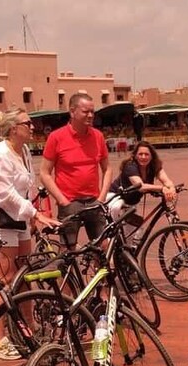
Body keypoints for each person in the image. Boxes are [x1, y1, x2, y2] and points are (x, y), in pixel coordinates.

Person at [0, 109, 60, 360]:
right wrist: (35, 214)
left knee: (24, 275)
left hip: (19, 219)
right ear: (13, 128)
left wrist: (33, 215)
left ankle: (27, 328)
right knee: (4, 280)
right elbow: (5, 195)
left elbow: (25, 188)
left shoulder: (23, 151)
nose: (33, 127)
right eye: (28, 123)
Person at [40, 93, 112, 249]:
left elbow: (107, 169)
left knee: (102, 247)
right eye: (86, 111)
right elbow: (44, 173)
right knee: (67, 250)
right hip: (70, 203)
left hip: (94, 201)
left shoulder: (98, 136)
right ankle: (66, 274)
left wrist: (102, 197)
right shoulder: (56, 137)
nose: (91, 115)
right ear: (72, 112)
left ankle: (100, 273)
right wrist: (62, 200)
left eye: (93, 111)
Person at [105, 141, 176, 238]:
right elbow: (140, 186)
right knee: (116, 209)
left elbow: (167, 181)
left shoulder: (154, 166)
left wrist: (171, 189)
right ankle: (110, 236)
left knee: (131, 236)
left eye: (146, 154)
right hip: (115, 196)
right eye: (140, 154)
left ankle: (123, 249)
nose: (143, 157)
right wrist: (162, 188)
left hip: (131, 203)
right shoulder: (130, 166)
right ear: (135, 155)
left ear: (152, 156)